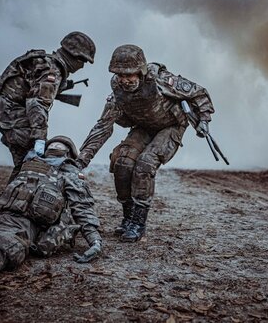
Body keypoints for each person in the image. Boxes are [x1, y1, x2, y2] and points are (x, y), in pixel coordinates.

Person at [77, 44, 214, 242]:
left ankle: (138, 223)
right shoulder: (117, 89)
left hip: (170, 126)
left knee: (145, 165)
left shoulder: (160, 80)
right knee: (122, 162)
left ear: (140, 71)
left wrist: (204, 120)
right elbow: (103, 127)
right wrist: (82, 159)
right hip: (143, 126)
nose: (124, 80)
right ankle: (128, 218)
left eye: (130, 75)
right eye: (120, 75)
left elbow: (198, 93)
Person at [0, 136, 102, 307]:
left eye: (63, 144)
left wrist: (94, 240)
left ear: (69, 153)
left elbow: (82, 207)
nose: (56, 144)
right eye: (52, 142)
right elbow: (11, 136)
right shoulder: (27, 162)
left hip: (23, 225)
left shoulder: (69, 171)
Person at [0, 31, 96, 182]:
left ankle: (14, 199)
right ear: (74, 56)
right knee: (31, 162)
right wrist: (39, 137)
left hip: (5, 109)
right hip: (11, 112)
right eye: (82, 61)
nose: (82, 66)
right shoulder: (53, 70)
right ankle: (14, 200)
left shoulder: (47, 62)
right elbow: (37, 103)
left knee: (24, 161)